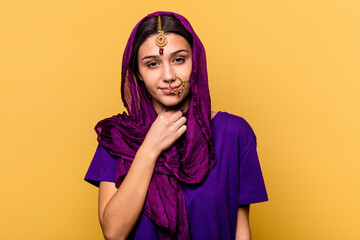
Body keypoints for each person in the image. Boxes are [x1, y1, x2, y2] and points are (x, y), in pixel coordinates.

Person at [85, 11, 268, 240]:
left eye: (179, 59)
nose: (168, 75)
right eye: (152, 64)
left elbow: (240, 230)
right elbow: (114, 233)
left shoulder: (234, 134)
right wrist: (150, 147)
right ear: (138, 74)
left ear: (196, 61)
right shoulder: (118, 138)